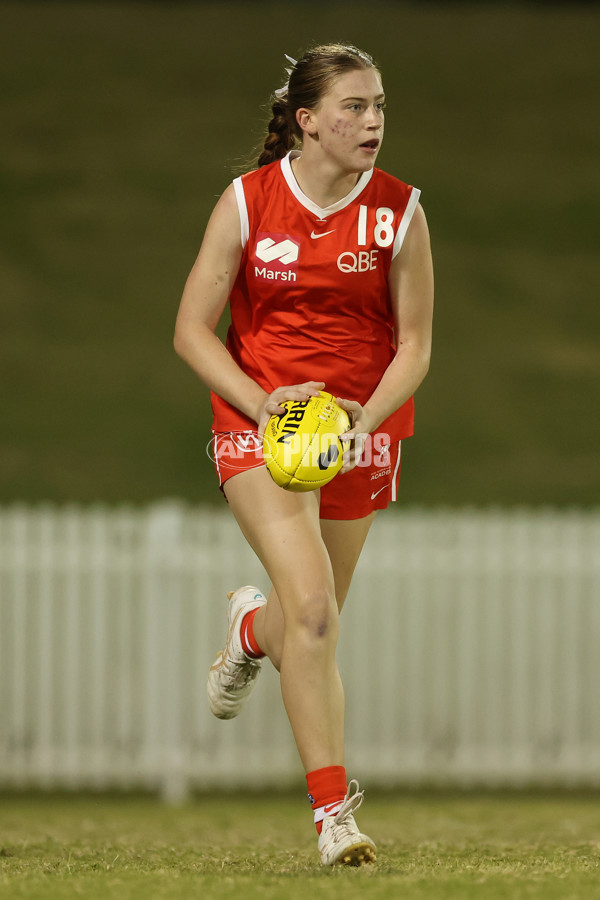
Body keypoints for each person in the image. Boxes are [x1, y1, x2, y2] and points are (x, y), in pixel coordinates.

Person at [174, 43, 434, 866]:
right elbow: (189, 331)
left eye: (380, 106)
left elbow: (417, 345)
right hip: (258, 423)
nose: (373, 122)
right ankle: (334, 817)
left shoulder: (400, 211)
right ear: (305, 118)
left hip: (358, 431)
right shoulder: (249, 202)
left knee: (303, 630)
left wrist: (367, 418)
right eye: (354, 107)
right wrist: (260, 403)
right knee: (317, 612)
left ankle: (251, 632)